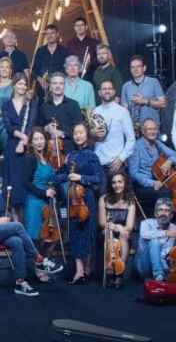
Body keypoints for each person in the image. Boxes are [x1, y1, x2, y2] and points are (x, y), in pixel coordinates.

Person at [0, 160, 61, 297]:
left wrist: (6, 218)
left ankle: (20, 282)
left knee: (17, 241)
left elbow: (1, 213)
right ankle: (38, 259)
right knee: (17, 226)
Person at [54, 122, 103, 284]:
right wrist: (67, 177)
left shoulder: (92, 155)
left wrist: (81, 178)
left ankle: (88, 268)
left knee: (87, 234)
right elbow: (57, 177)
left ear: (86, 135)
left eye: (81, 133)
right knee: (74, 233)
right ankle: (79, 271)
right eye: (75, 133)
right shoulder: (70, 156)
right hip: (72, 200)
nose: (78, 136)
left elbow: (99, 179)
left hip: (86, 199)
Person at [135, 198, 176, 284]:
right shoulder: (146, 223)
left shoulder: (173, 227)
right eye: (160, 210)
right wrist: (167, 233)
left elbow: (167, 252)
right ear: (156, 213)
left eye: (167, 211)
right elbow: (145, 234)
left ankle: (166, 279)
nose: (163, 213)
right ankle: (158, 275)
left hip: (163, 264)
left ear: (171, 215)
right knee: (154, 241)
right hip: (144, 265)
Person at [128, 119, 176, 216]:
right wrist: (152, 183)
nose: (153, 132)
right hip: (143, 185)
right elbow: (133, 173)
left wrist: (170, 161)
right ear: (143, 131)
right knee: (165, 193)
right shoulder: (136, 147)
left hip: (159, 180)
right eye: (149, 129)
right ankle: (163, 220)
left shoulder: (157, 143)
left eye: (155, 129)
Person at [21, 130, 59, 260]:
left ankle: (42, 265)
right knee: (35, 237)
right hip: (34, 202)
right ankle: (35, 269)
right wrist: (44, 192)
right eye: (36, 139)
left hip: (47, 203)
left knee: (48, 237)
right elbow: (25, 182)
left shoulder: (47, 159)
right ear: (31, 142)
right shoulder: (30, 158)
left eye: (41, 138)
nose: (39, 142)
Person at [92, 80, 136, 182]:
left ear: (114, 92)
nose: (107, 91)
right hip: (98, 163)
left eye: (109, 88)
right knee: (101, 196)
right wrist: (93, 134)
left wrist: (121, 158)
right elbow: (92, 139)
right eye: (104, 89)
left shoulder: (122, 112)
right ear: (99, 92)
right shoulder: (94, 111)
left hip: (116, 164)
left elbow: (131, 139)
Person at [98, 171, 136, 288]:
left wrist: (120, 228)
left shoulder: (130, 201)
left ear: (125, 183)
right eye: (114, 182)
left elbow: (129, 226)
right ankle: (109, 272)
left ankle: (119, 272)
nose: (117, 185)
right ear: (110, 184)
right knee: (108, 233)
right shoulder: (103, 199)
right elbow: (102, 223)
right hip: (108, 228)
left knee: (124, 234)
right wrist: (113, 226)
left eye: (120, 182)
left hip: (123, 231)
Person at [2, 73, 40, 178]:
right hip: (12, 144)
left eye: (25, 84)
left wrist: (24, 141)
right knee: (11, 177)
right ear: (13, 85)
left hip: (28, 144)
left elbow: (31, 122)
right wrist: (21, 136)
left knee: (26, 176)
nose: (22, 87)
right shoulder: (6, 105)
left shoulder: (31, 102)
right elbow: (8, 127)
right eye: (19, 84)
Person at [37, 72, 83, 154]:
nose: (58, 86)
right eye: (54, 83)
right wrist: (46, 128)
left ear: (64, 86)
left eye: (61, 83)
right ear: (50, 86)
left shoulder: (74, 105)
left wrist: (62, 134)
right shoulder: (44, 107)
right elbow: (38, 129)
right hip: (49, 151)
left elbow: (79, 130)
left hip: (70, 151)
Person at [121, 55, 167, 127]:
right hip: (133, 129)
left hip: (152, 128)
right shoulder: (126, 86)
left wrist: (145, 101)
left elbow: (163, 104)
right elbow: (124, 110)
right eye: (133, 67)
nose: (135, 69)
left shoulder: (154, 82)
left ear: (144, 68)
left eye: (138, 66)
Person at [32, 24, 67, 93]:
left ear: (57, 34)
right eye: (47, 33)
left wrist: (55, 82)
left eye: (52, 33)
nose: (49, 36)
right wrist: (40, 80)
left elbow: (66, 70)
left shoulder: (64, 51)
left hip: (59, 88)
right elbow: (34, 70)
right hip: (42, 89)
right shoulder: (40, 51)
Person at [64, 17, 100, 82]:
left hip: (92, 77)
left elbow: (99, 59)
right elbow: (66, 60)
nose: (79, 27)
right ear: (74, 28)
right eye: (77, 25)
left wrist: (89, 63)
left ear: (86, 27)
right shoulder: (69, 44)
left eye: (82, 25)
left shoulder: (95, 43)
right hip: (74, 78)